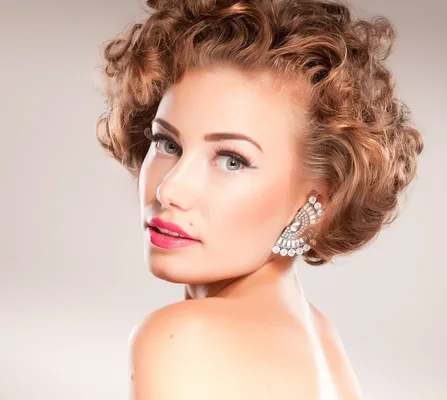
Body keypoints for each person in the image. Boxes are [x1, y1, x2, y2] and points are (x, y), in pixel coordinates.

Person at [95, 0, 423, 398]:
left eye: (232, 160)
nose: (170, 189)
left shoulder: (186, 337)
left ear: (317, 201)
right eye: (167, 142)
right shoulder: (320, 340)